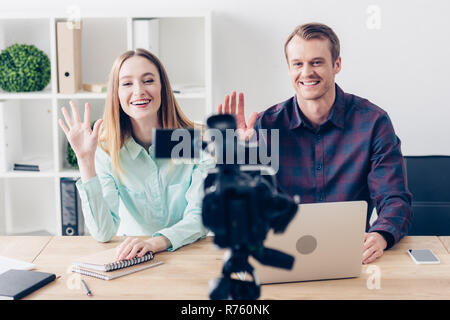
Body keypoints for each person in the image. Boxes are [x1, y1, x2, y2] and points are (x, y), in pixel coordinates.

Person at [218, 23, 412, 264]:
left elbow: (394, 197)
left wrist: (381, 235)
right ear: (289, 69)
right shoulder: (266, 125)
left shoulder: (373, 122)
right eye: (298, 64)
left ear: (337, 64)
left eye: (316, 62)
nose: (306, 72)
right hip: (283, 256)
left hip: (352, 254)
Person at [59, 48, 213, 260]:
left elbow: (201, 216)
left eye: (148, 80)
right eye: (127, 83)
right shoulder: (107, 149)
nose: (139, 90)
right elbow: (103, 233)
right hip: (134, 258)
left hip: (188, 253)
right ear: (117, 94)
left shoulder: (196, 141)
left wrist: (155, 243)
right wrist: (85, 161)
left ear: (163, 88)